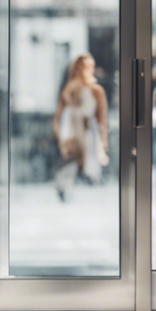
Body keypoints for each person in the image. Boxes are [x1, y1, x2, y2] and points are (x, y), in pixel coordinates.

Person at [51, 53, 110, 202]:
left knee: (87, 166)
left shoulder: (96, 91)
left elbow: (101, 119)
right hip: (72, 133)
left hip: (88, 133)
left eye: (91, 66)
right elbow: (59, 115)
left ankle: (73, 187)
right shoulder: (70, 89)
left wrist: (103, 141)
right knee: (73, 162)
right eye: (85, 67)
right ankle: (64, 188)